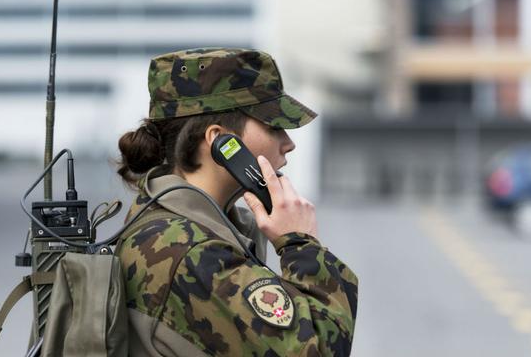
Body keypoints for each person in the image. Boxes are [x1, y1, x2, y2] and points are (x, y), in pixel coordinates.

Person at [116, 48, 358, 356]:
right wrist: (301, 244)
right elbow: (319, 350)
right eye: (273, 126)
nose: (289, 143)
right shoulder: (192, 252)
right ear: (221, 141)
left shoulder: (175, 225)